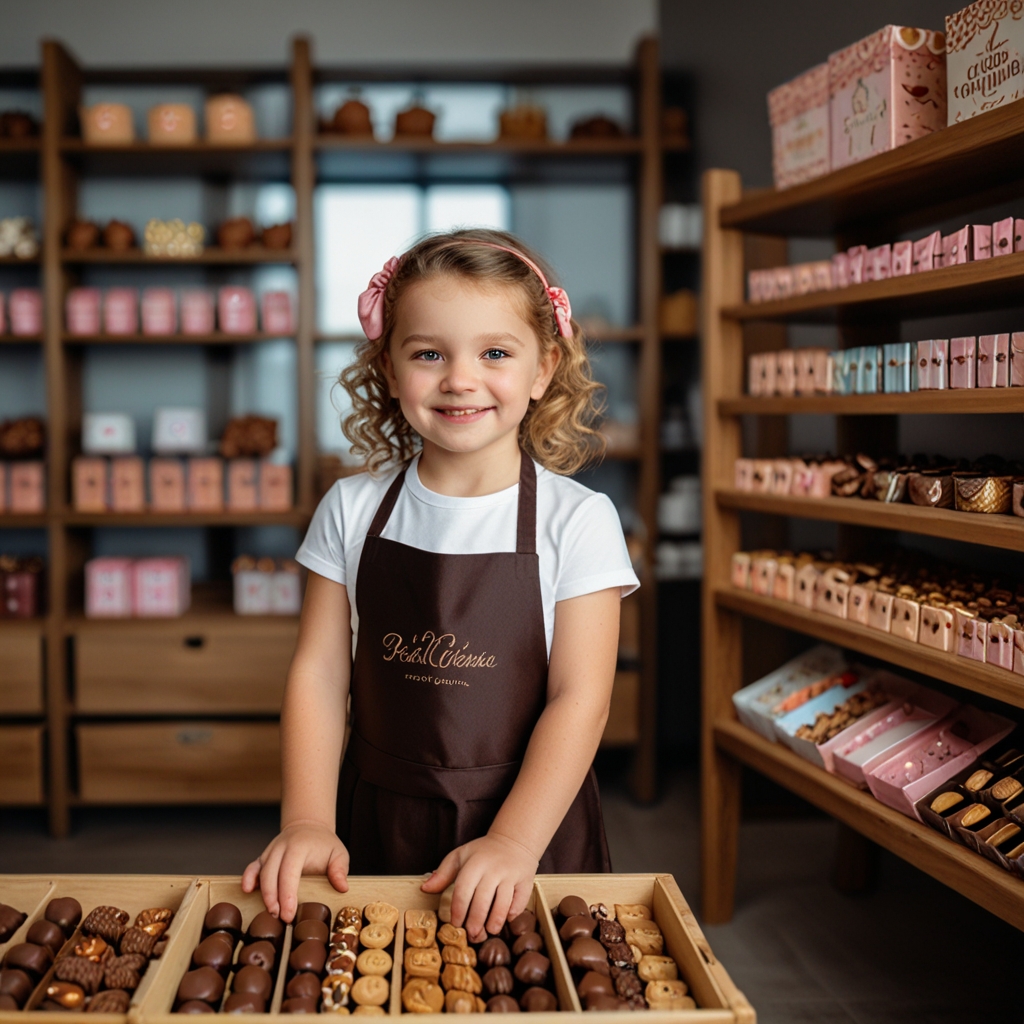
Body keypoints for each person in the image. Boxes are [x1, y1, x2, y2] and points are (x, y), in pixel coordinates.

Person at [242, 228, 639, 939]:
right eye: (429, 353)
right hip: (377, 817)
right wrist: (306, 820)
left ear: (544, 367)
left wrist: (513, 841)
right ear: (389, 370)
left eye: (495, 353)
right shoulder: (351, 508)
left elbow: (581, 700)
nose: (460, 379)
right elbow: (320, 675)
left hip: (527, 828)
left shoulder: (578, 520)